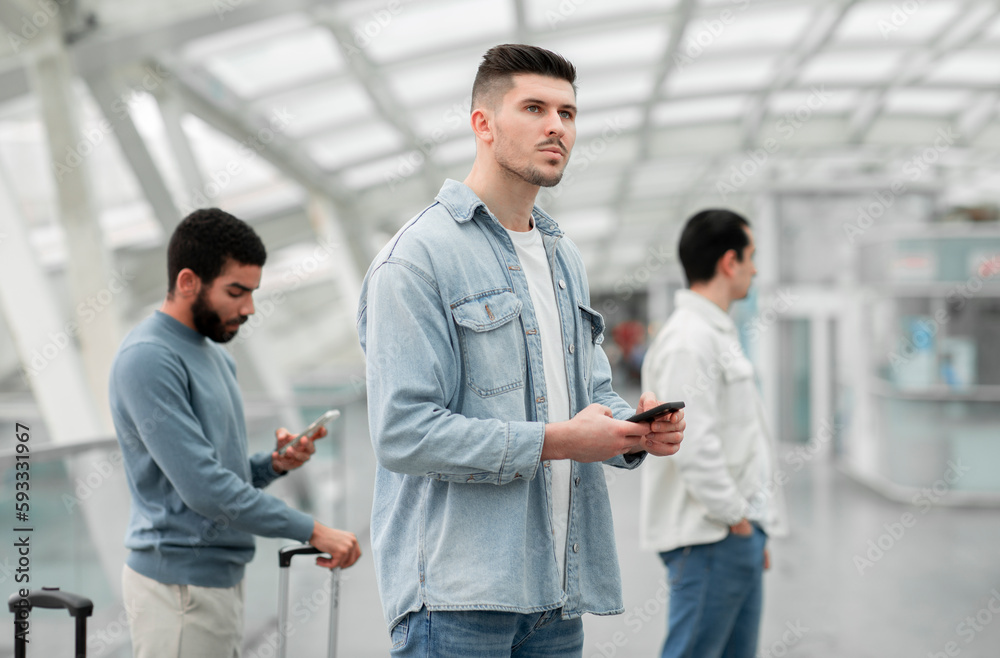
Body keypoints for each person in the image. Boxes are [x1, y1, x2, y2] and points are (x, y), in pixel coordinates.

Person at [357, 44, 685, 656]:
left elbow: (590, 398)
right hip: (458, 602)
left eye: (568, 112)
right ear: (482, 123)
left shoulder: (563, 257)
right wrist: (559, 441)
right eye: (534, 107)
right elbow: (403, 433)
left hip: (555, 596)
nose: (556, 126)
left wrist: (634, 430)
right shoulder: (417, 260)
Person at [109, 208, 361, 658]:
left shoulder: (214, 354)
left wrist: (274, 464)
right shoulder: (149, 357)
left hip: (218, 577)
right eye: (236, 291)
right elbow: (205, 490)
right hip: (178, 589)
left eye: (252, 292)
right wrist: (312, 529)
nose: (248, 308)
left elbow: (219, 471)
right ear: (188, 282)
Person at [638, 209, 787, 658]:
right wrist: (737, 522)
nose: (755, 269)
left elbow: (740, 440)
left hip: (732, 534)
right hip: (710, 538)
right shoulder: (690, 340)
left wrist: (753, 527)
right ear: (729, 262)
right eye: (751, 257)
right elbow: (694, 446)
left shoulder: (714, 333)